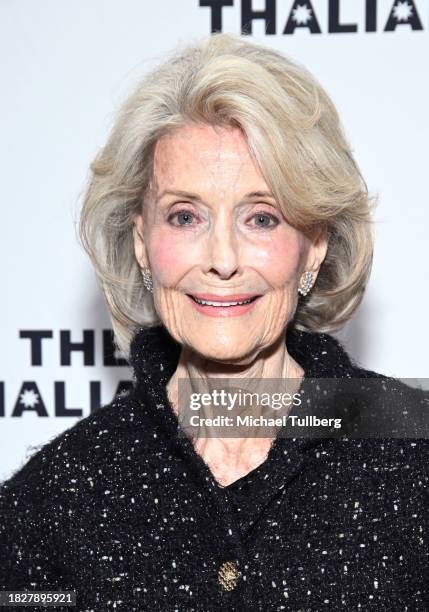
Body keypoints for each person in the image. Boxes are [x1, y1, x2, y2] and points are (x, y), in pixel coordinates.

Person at [0, 33, 428, 611]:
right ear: (142, 243)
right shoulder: (51, 502)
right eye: (184, 216)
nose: (222, 259)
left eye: (261, 217)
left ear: (316, 246)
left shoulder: (413, 456)